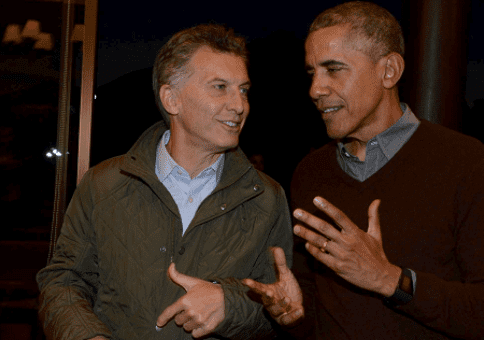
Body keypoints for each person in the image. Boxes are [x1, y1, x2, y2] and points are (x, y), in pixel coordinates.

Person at [243, 2, 484, 339]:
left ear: (388, 70)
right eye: (311, 73)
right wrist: (291, 315)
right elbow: (313, 314)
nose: (315, 89)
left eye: (333, 69)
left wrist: (389, 280)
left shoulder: (464, 161)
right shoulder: (310, 171)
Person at [36, 23, 293, 340]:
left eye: (243, 89)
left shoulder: (266, 198)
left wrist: (231, 305)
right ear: (172, 99)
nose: (239, 105)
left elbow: (281, 309)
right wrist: (88, 336)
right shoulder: (104, 183)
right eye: (219, 87)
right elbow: (64, 280)